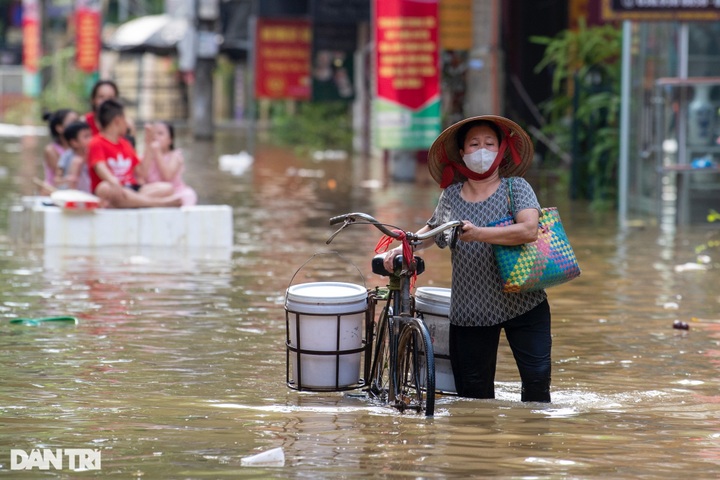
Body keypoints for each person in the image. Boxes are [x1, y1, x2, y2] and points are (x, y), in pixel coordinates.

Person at [382, 115, 552, 402]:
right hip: (472, 311)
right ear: (462, 153)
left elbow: (529, 230)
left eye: (489, 143)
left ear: (500, 150)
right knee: (474, 399)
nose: (482, 149)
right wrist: (404, 248)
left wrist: (480, 234)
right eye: (474, 144)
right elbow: (431, 231)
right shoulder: (450, 197)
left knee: (536, 387)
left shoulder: (516, 188)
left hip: (525, 303)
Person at [87, 98, 181, 208]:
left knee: (167, 188)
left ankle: (133, 202)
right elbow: (100, 167)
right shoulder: (96, 142)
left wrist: (148, 145)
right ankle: (159, 203)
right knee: (105, 188)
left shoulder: (125, 144)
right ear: (118, 120)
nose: (127, 123)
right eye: (125, 118)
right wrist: (113, 181)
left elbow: (142, 172)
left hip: (131, 189)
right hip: (114, 189)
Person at [139, 121, 197, 206]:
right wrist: (148, 147)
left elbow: (168, 176)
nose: (155, 137)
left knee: (185, 196)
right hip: (153, 192)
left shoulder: (175, 156)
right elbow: (142, 175)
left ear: (170, 140)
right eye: (153, 134)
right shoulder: (146, 155)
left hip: (174, 191)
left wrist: (157, 152)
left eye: (160, 134)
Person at [82, 79, 136, 144]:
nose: (106, 101)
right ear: (93, 100)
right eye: (101, 97)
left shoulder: (127, 125)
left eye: (110, 98)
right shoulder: (84, 121)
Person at [42, 108, 79, 186]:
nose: (77, 125)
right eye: (73, 122)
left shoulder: (79, 147)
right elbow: (61, 174)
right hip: (55, 190)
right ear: (59, 128)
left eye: (78, 121)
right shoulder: (51, 150)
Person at [56, 120, 93, 193]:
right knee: (77, 162)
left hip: (90, 191)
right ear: (74, 142)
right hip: (71, 190)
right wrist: (68, 179)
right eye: (86, 137)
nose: (91, 139)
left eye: (90, 135)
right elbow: (57, 179)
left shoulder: (93, 153)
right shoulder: (67, 156)